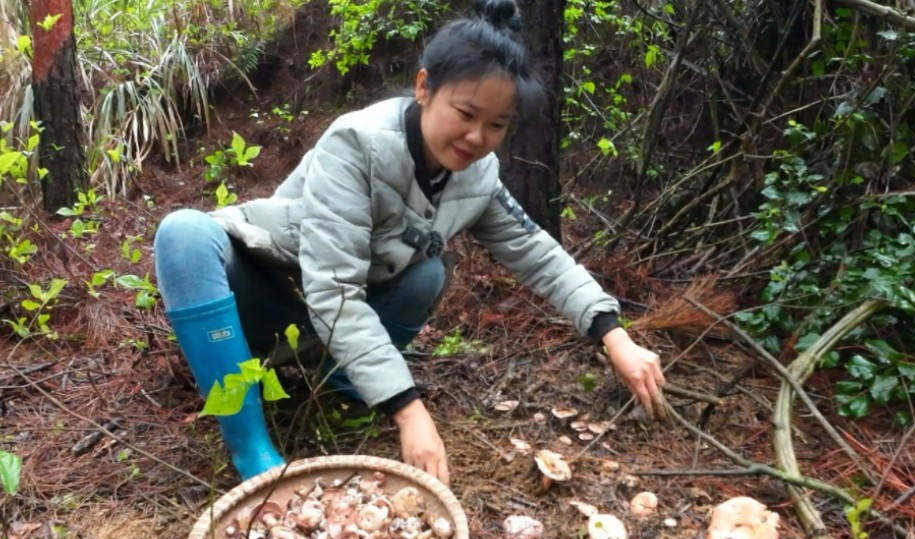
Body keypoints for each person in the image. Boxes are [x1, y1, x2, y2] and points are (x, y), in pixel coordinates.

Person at [153, 0, 665, 485]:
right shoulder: (358, 143)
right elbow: (332, 289)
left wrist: (613, 334)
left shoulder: (477, 176)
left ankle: (342, 382)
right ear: (424, 87)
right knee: (183, 234)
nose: (476, 137)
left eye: (496, 125)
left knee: (427, 272)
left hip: (327, 329)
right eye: (465, 113)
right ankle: (253, 450)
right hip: (271, 291)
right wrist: (408, 408)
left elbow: (538, 253)